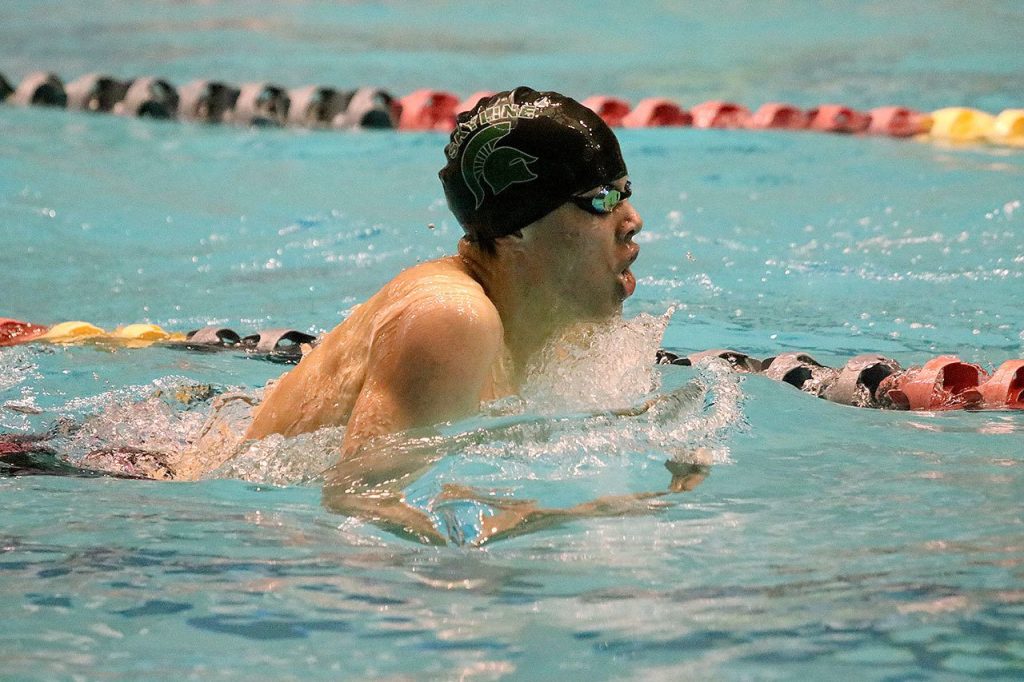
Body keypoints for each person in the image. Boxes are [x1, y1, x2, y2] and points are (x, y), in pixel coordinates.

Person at [243, 87, 684, 543]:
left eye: (625, 192)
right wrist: (580, 515)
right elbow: (359, 501)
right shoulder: (452, 318)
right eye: (602, 199)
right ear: (517, 226)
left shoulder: (556, 325)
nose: (632, 219)